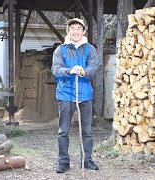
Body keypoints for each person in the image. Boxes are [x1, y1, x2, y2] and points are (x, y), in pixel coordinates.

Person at [51, 18, 99, 173]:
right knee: (63, 131)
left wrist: (84, 72)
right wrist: (69, 70)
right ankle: (63, 161)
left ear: (83, 31)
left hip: (85, 94)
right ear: (68, 31)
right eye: (72, 28)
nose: (76, 31)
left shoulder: (90, 49)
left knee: (87, 131)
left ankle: (87, 160)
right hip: (66, 95)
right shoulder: (60, 50)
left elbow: (94, 68)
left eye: (79, 28)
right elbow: (56, 70)